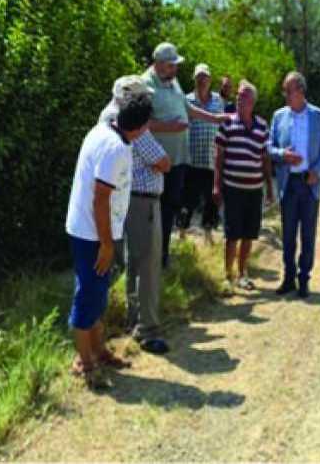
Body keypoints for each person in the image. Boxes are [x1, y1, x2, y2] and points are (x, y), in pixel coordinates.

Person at [65, 92, 153, 387]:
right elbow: (100, 199)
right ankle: (85, 364)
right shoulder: (114, 147)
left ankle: (99, 351)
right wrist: (105, 244)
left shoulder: (105, 129)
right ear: (141, 127)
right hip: (92, 233)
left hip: (95, 230)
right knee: (88, 294)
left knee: (98, 293)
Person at [100, 76, 172, 354]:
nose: (147, 104)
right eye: (143, 98)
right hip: (142, 202)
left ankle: (134, 320)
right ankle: (148, 329)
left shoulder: (106, 117)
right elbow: (163, 162)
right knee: (147, 266)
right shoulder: (132, 123)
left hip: (126, 200)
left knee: (133, 264)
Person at [142, 42, 225, 268]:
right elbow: (140, 124)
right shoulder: (146, 85)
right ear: (159, 64)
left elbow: (187, 110)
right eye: (171, 66)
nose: (175, 70)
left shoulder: (172, 82)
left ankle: (163, 256)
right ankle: (149, 258)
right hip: (156, 163)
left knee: (169, 208)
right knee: (154, 210)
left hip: (177, 161)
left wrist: (213, 118)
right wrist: (172, 128)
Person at [267, 71, 320, 299]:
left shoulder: (319, 116)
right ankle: (288, 277)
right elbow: (269, 147)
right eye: (284, 90)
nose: (285, 94)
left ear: (301, 91)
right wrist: (283, 154)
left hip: (309, 182)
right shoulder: (278, 116)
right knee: (288, 233)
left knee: (308, 234)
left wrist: (317, 171)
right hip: (288, 182)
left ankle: (304, 279)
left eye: (289, 90)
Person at [213, 80, 274, 296]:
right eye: (238, 95)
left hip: (254, 189)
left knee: (249, 234)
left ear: (253, 101)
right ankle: (227, 276)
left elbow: (265, 158)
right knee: (232, 234)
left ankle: (243, 274)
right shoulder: (227, 124)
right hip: (232, 188)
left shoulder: (262, 126)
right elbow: (219, 157)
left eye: (244, 96)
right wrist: (216, 185)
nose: (239, 99)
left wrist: (269, 187)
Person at [178, 63, 224, 242]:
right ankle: (182, 231)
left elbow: (221, 128)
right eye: (199, 77)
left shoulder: (218, 101)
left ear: (210, 80)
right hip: (192, 160)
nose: (202, 80)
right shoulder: (186, 100)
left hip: (212, 160)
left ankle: (208, 233)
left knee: (211, 200)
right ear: (194, 79)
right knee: (188, 199)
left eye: (205, 77)